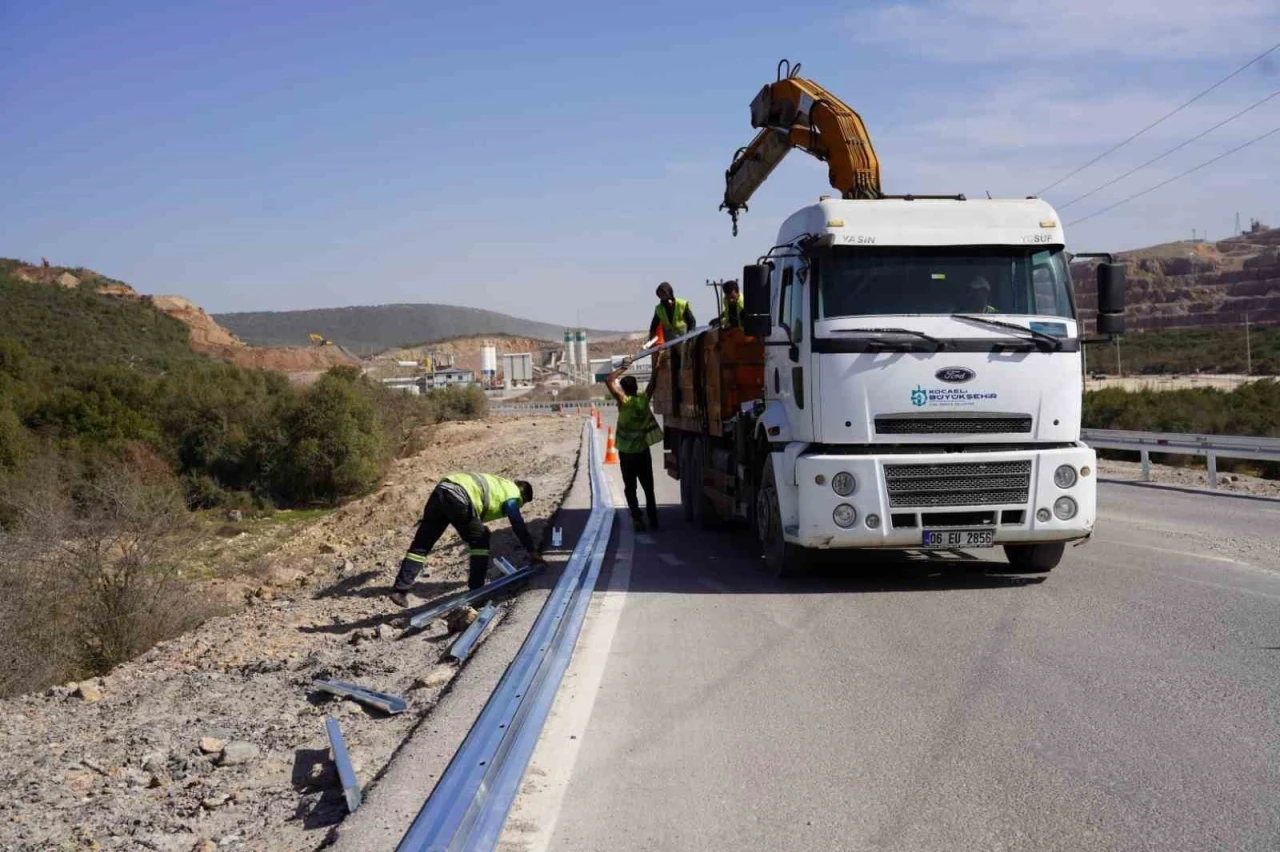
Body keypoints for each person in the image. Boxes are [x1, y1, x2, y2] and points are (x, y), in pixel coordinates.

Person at [390, 473, 546, 607]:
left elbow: (478, 502)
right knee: (481, 541)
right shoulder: (513, 494)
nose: (519, 506)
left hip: (441, 490)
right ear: (523, 496)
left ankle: (399, 591)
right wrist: (531, 550)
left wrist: (479, 527)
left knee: (421, 545)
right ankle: (476, 592)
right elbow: (517, 523)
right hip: (459, 496)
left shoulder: (501, 483)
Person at [606, 355, 663, 532]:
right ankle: (653, 519)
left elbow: (609, 380)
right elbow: (653, 383)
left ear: (623, 389)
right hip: (642, 452)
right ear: (636, 387)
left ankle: (637, 518)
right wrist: (657, 365)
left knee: (630, 488)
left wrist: (624, 367)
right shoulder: (644, 400)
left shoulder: (623, 402)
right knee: (648, 488)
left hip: (626, 454)